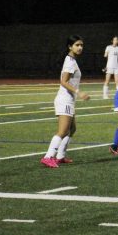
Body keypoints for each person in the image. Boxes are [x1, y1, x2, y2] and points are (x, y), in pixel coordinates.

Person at [40, 35, 90, 168]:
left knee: (72, 129)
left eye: (81, 45)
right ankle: (48, 157)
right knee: (62, 131)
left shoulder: (72, 60)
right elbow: (63, 81)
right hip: (65, 100)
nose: (80, 47)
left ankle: (60, 156)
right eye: (77, 45)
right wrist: (79, 92)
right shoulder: (69, 61)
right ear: (70, 46)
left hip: (69, 100)